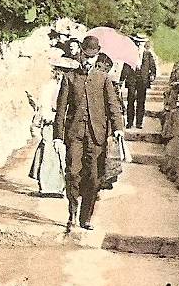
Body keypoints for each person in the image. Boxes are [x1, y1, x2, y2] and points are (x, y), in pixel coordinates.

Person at [53, 34, 125, 233]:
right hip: (75, 134)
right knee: (73, 173)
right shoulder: (69, 77)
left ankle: (86, 217)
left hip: (97, 135)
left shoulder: (103, 78)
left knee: (94, 178)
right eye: (86, 55)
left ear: (98, 55)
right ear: (80, 54)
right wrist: (58, 136)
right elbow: (61, 110)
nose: (88, 60)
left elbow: (113, 105)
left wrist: (118, 128)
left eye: (93, 56)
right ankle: (73, 213)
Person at [28, 61, 76, 197]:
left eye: (66, 71)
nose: (61, 74)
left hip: (66, 123)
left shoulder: (71, 86)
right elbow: (44, 106)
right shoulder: (49, 87)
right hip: (51, 123)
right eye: (60, 71)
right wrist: (47, 117)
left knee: (63, 154)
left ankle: (60, 186)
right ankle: (47, 187)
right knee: (48, 153)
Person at [123, 34, 158, 129]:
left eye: (141, 43)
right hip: (132, 79)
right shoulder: (129, 54)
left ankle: (139, 123)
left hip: (143, 79)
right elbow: (126, 67)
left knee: (141, 101)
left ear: (144, 44)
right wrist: (122, 79)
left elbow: (152, 67)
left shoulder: (148, 54)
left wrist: (152, 75)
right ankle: (129, 122)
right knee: (130, 100)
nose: (139, 45)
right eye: (137, 42)